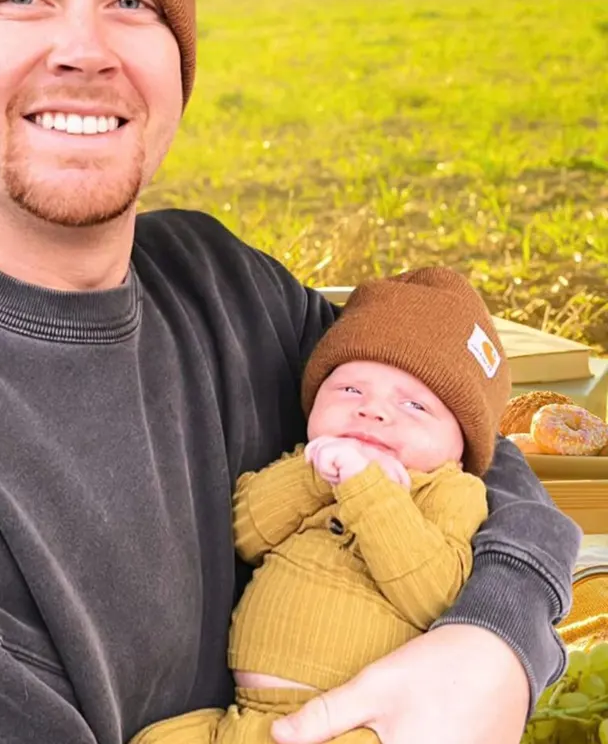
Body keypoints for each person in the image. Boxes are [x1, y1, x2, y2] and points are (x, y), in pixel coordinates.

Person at [0, 0, 581, 744]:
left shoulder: (223, 283)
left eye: (130, 1)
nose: (85, 49)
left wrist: (494, 638)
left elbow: (459, 426)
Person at [131, 265, 508, 744]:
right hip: (248, 719)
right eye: (350, 390)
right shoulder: (308, 464)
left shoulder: (448, 491)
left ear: (461, 445)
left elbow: (434, 596)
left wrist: (367, 489)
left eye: (415, 406)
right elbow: (243, 534)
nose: (372, 410)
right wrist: (314, 476)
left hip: (357, 725)